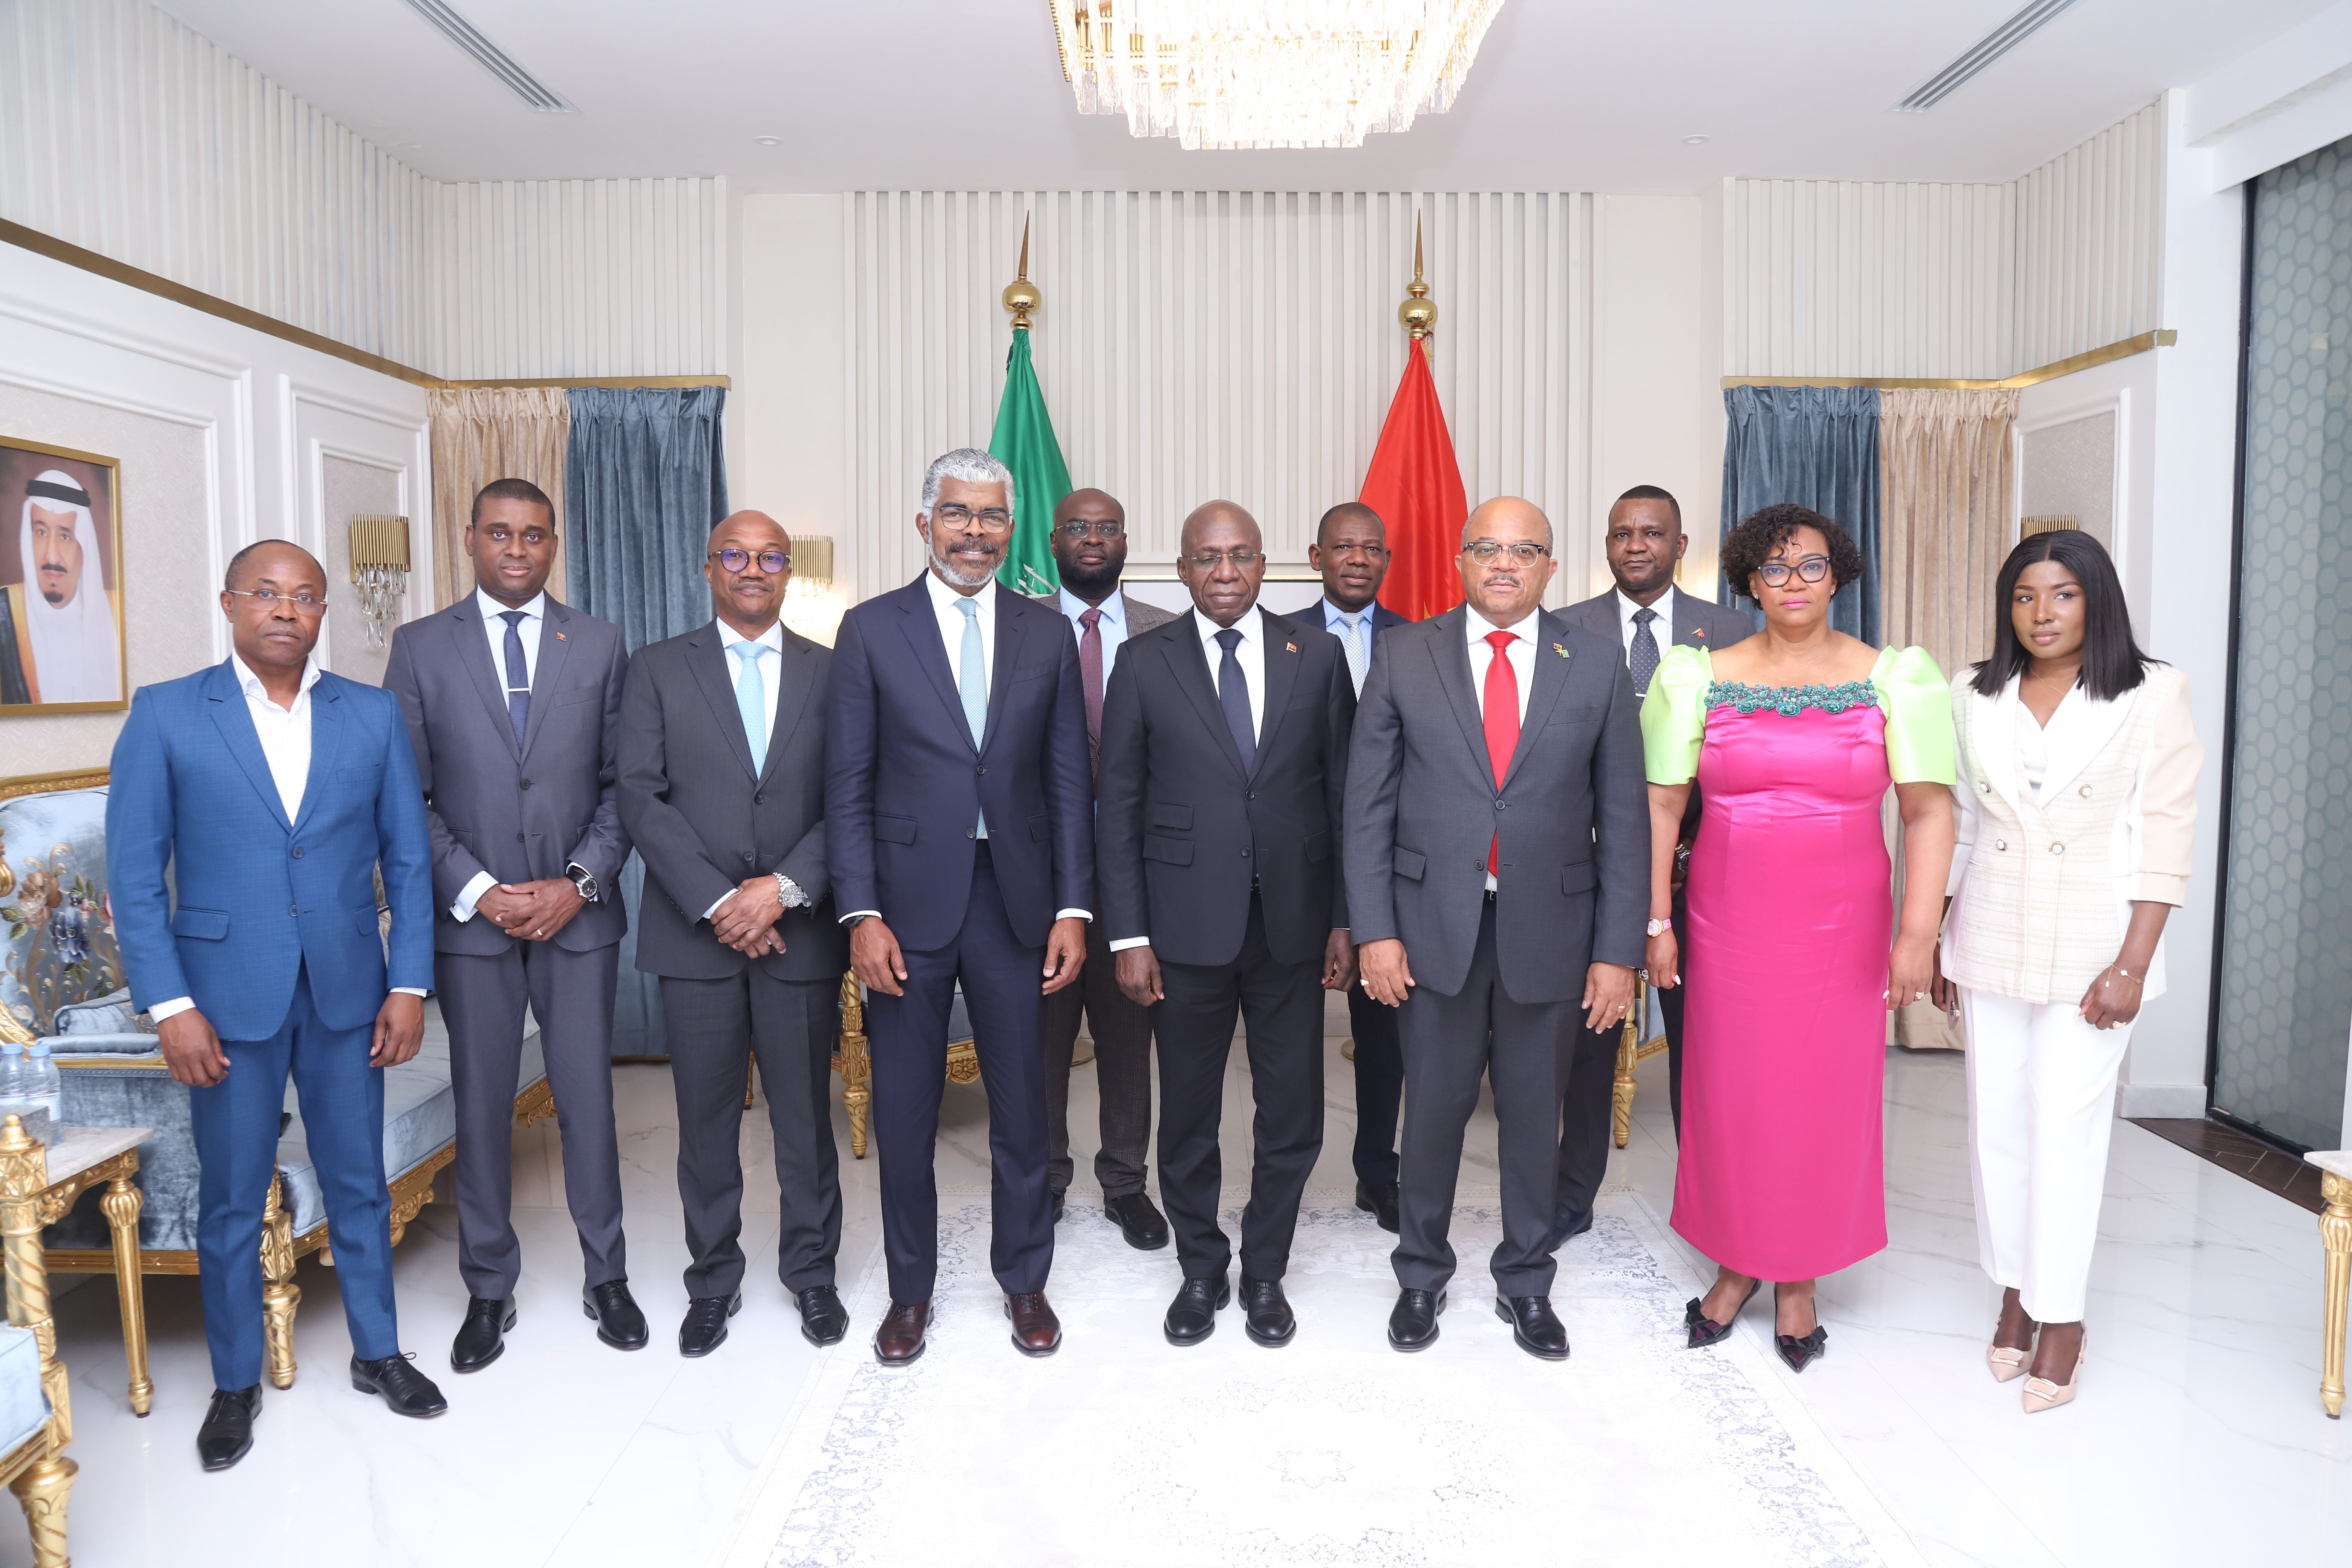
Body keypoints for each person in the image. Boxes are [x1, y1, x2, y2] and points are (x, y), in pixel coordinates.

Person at [106, 540, 443, 1472]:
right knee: (229, 1197)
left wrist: (408, 982)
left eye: (304, 596)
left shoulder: (370, 714)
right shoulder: (168, 713)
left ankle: (378, 1353)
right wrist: (170, 1004)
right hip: (221, 1000)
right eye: (266, 593)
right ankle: (234, 1382)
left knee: (359, 1182)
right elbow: (134, 877)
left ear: (323, 613)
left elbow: (409, 860)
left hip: (348, 990)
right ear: (230, 604)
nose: (285, 610)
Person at [1646, 502, 1954, 1372]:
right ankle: (1737, 1260)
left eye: (1810, 566)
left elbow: (1929, 811)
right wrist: (1656, 921)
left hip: (1841, 928)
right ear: (1749, 580)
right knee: (1731, 1093)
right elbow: (1661, 806)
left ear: (1838, 575)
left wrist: (1917, 933)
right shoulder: (1697, 676)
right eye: (1774, 568)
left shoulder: (1895, 678)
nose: (1792, 582)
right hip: (1727, 922)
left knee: (1821, 1097)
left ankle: (1799, 1276)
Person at [1344, 497, 1647, 1361]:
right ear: (1460, 561)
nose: (1504, 563)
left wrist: (1616, 952)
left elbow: (1625, 819)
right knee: (1432, 1111)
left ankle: (1526, 1280)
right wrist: (1374, 930)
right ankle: (1420, 1275)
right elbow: (1365, 807)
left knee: (1532, 1112)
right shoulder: (1404, 654)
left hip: (1553, 927)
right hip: (1428, 927)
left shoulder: (1595, 662)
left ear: (1550, 565)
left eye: (1524, 550)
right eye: (1487, 547)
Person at [826, 448, 1093, 1365]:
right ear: (924, 524)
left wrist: (1073, 908)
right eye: (956, 513)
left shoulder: (1045, 634)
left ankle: (1025, 1281)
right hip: (904, 909)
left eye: (990, 516)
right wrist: (860, 914)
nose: (974, 532)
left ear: (1010, 529)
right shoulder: (870, 629)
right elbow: (846, 785)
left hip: (1017, 903)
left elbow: (1069, 782)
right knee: (905, 1113)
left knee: (1025, 1110)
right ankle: (910, 1293)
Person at [1932, 529, 2201, 1413]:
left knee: (2065, 1128)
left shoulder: (2152, 692)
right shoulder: (1973, 691)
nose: (2041, 613)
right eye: (2024, 596)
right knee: (1997, 1128)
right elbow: (1962, 824)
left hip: (2096, 948)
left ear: (2096, 600)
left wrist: (2134, 963)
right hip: (1990, 932)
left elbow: (2165, 833)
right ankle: (2015, 1289)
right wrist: (1938, 937)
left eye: (2062, 594)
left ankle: (2063, 1317)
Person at [383, 478, 643, 1373]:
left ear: (553, 544)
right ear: (470, 539)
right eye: (500, 533)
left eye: (534, 535)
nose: (518, 549)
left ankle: (607, 1275)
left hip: (578, 918)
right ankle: (489, 1288)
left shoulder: (600, 643)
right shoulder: (420, 647)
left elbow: (624, 786)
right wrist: (480, 890)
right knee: (482, 1104)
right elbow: (405, 796)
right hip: (473, 925)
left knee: (589, 1102)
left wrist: (578, 882)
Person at [1098, 501, 1356, 1348]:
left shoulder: (1316, 654)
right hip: (1183, 930)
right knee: (1188, 1115)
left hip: (1293, 926)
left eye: (1240, 555)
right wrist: (1129, 936)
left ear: (1264, 565)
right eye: (1207, 557)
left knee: (1293, 1113)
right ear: (1182, 569)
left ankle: (1267, 1269)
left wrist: (1345, 919)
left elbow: (1344, 796)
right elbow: (1119, 807)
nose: (1224, 571)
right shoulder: (1142, 662)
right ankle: (1202, 1267)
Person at [617, 511, 852, 1357]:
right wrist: (723, 902)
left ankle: (812, 1274)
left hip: (800, 933)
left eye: (770, 557)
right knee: (705, 1123)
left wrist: (780, 892)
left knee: (805, 1122)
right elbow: (639, 795)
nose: (753, 569)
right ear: (709, 567)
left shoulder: (834, 670)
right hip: (698, 939)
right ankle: (712, 1281)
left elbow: (852, 796)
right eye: (736, 555)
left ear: (789, 571)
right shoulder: (656, 668)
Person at [1550, 485, 1752, 1249]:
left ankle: (1712, 1204)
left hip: (1700, 873)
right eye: (1622, 534)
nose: (1636, 545)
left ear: (1679, 544)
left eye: (1652, 533)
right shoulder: (1564, 630)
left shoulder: (1731, 631)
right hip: (1591, 868)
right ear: (1607, 544)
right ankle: (1573, 1197)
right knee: (1588, 1041)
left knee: (1707, 1048)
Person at [1032, 486, 1175, 1248]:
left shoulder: (1168, 633)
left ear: (1126, 542)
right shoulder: (1016, 626)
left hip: (1138, 880)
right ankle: (1045, 1179)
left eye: (1108, 528)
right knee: (1041, 1041)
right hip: (1038, 879)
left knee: (1128, 1040)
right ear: (1053, 541)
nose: (1093, 538)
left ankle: (1125, 1184)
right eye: (1079, 528)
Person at [1305, 501, 1412, 1233]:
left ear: (1387, 561)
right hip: (1296, 866)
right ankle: (1283, 1172)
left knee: (1383, 1037)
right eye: (1343, 547)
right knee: (1286, 1036)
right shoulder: (1279, 637)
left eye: (1371, 548)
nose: (1358, 559)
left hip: (1388, 868)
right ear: (1317, 557)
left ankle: (1377, 1173)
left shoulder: (1423, 642)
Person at [4, 468, 121, 705]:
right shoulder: (5, 611)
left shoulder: (116, 613)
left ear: (84, 546)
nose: (52, 556)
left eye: (65, 536)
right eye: (41, 533)